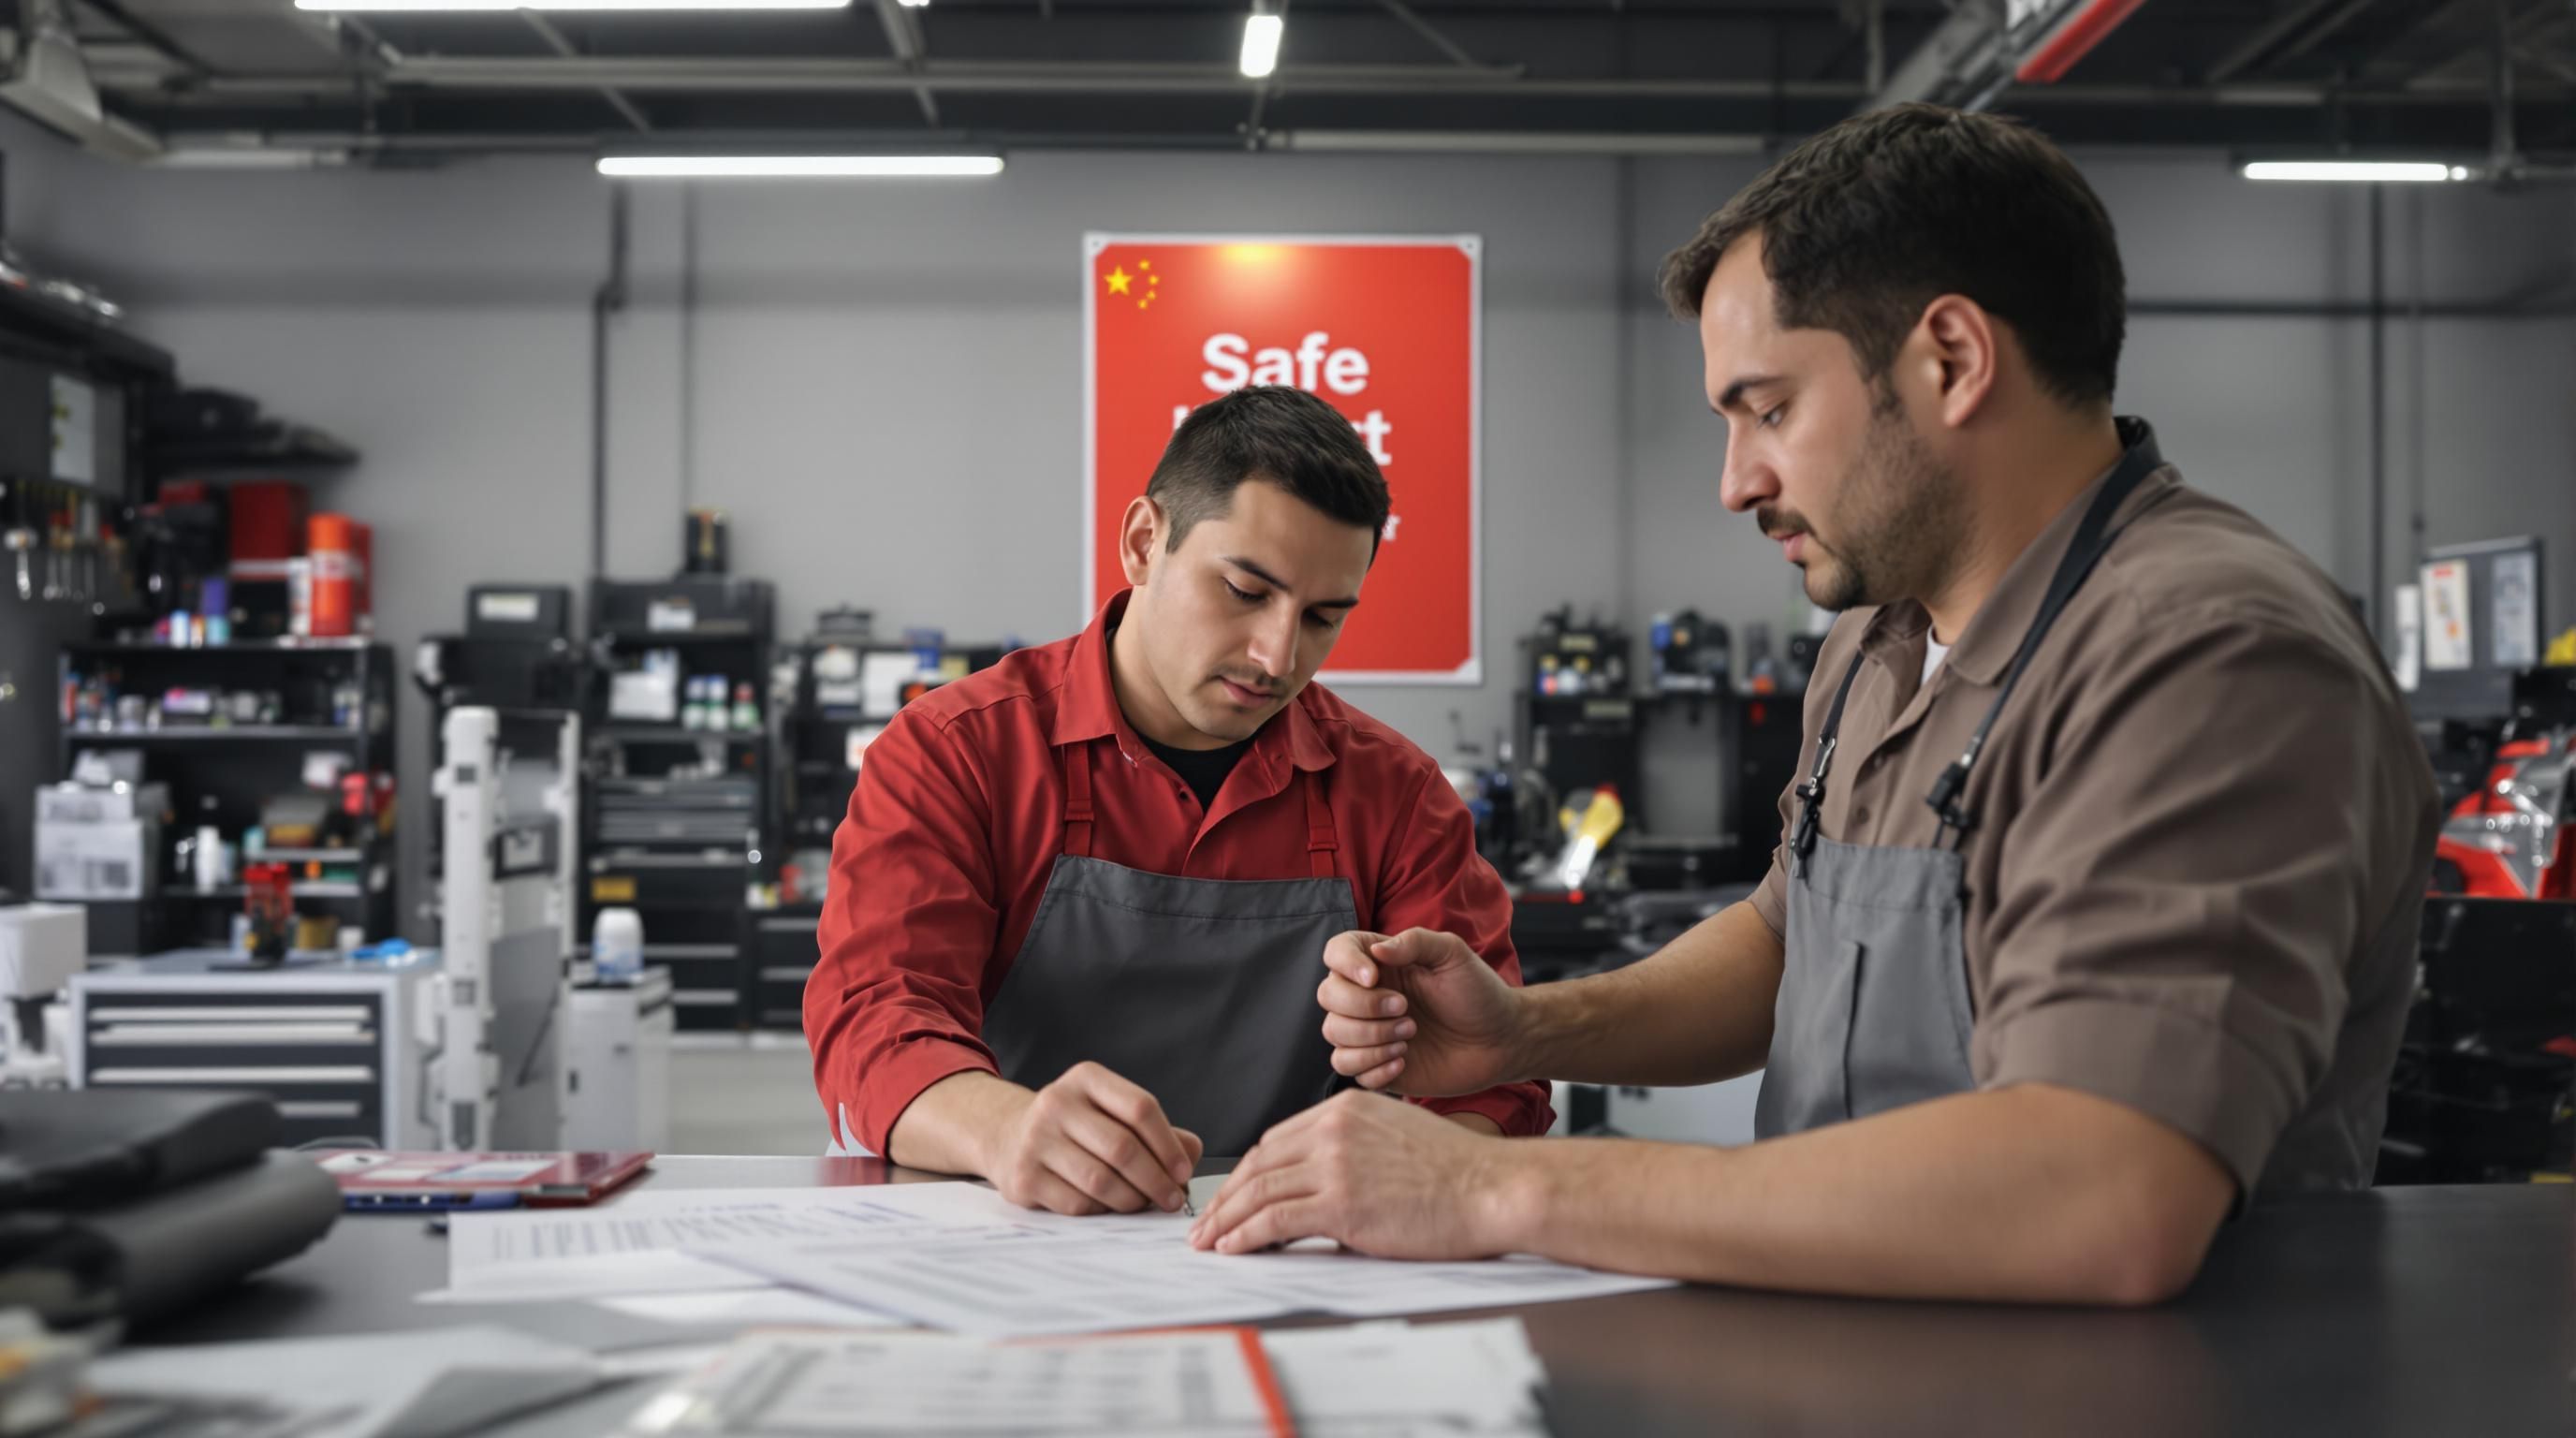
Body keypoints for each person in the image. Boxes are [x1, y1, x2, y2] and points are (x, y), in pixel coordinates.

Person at [1189, 104, 2440, 1305]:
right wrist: (1523, 1033)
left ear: (1951, 360)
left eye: (1769, 409)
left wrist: (1500, 1189)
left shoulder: (2205, 656)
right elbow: (1792, 944)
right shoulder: (1881, 644)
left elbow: (2107, 1191)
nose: (1738, 482)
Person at [807, 384, 1551, 1216]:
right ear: (1142, 542)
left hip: (1294, 1258)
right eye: (1245, 590)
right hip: (1003, 1233)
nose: (1276, 655)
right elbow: (875, 1017)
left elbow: (1491, 1076)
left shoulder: (1399, 798)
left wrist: (1430, 1164)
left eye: (1322, 618)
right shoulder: (957, 753)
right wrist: (1004, 1129)